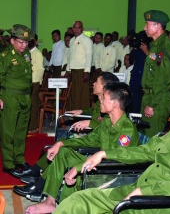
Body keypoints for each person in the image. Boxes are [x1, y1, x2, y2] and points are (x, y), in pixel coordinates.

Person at [52, 91, 170, 214]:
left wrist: (145, 192)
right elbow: (146, 151)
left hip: (164, 207)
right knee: (79, 201)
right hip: (137, 193)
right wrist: (105, 154)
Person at [24, 82, 140, 214]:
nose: (99, 100)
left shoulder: (127, 130)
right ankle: (50, 203)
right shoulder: (107, 121)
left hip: (114, 174)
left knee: (79, 173)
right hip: (100, 165)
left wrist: (79, 167)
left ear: (114, 103)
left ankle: (66, 207)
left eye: (104, 97)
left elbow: (116, 160)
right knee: (63, 152)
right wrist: (61, 143)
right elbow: (90, 140)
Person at [13, 72, 119, 196]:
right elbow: (96, 117)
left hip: (98, 152)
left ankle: (39, 181)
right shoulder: (101, 104)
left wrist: (91, 123)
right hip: (93, 139)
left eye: (97, 82)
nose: (94, 83)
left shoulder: (112, 111)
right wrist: (82, 111)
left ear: (105, 87)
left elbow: (104, 131)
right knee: (60, 144)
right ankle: (38, 175)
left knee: (63, 148)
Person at [0, 24, 34, 177]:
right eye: (20, 42)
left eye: (26, 42)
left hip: (25, 96)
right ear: (12, 40)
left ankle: (19, 158)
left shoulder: (27, 54)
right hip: (10, 97)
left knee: (21, 130)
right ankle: (8, 163)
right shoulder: (5, 56)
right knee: (8, 131)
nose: (24, 45)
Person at [141, 10, 170, 138]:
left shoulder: (164, 47)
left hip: (157, 101)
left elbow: (162, 79)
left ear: (158, 26)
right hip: (149, 96)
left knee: (152, 139)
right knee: (144, 137)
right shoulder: (155, 45)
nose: (144, 28)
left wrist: (152, 104)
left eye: (147, 24)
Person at [67, 21, 93, 110]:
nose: (76, 30)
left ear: (82, 29)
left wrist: (87, 71)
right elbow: (69, 56)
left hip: (82, 71)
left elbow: (89, 55)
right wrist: (68, 70)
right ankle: (72, 113)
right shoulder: (71, 40)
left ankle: (82, 114)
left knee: (81, 94)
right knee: (73, 93)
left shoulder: (87, 40)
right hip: (73, 70)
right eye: (75, 27)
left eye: (78, 28)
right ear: (72, 28)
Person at [28, 34, 44, 133]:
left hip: (34, 81)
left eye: (32, 40)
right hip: (28, 81)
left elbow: (40, 69)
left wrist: (37, 82)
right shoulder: (27, 52)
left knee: (33, 104)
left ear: (36, 42)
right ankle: (28, 125)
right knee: (28, 104)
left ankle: (33, 127)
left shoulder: (37, 53)